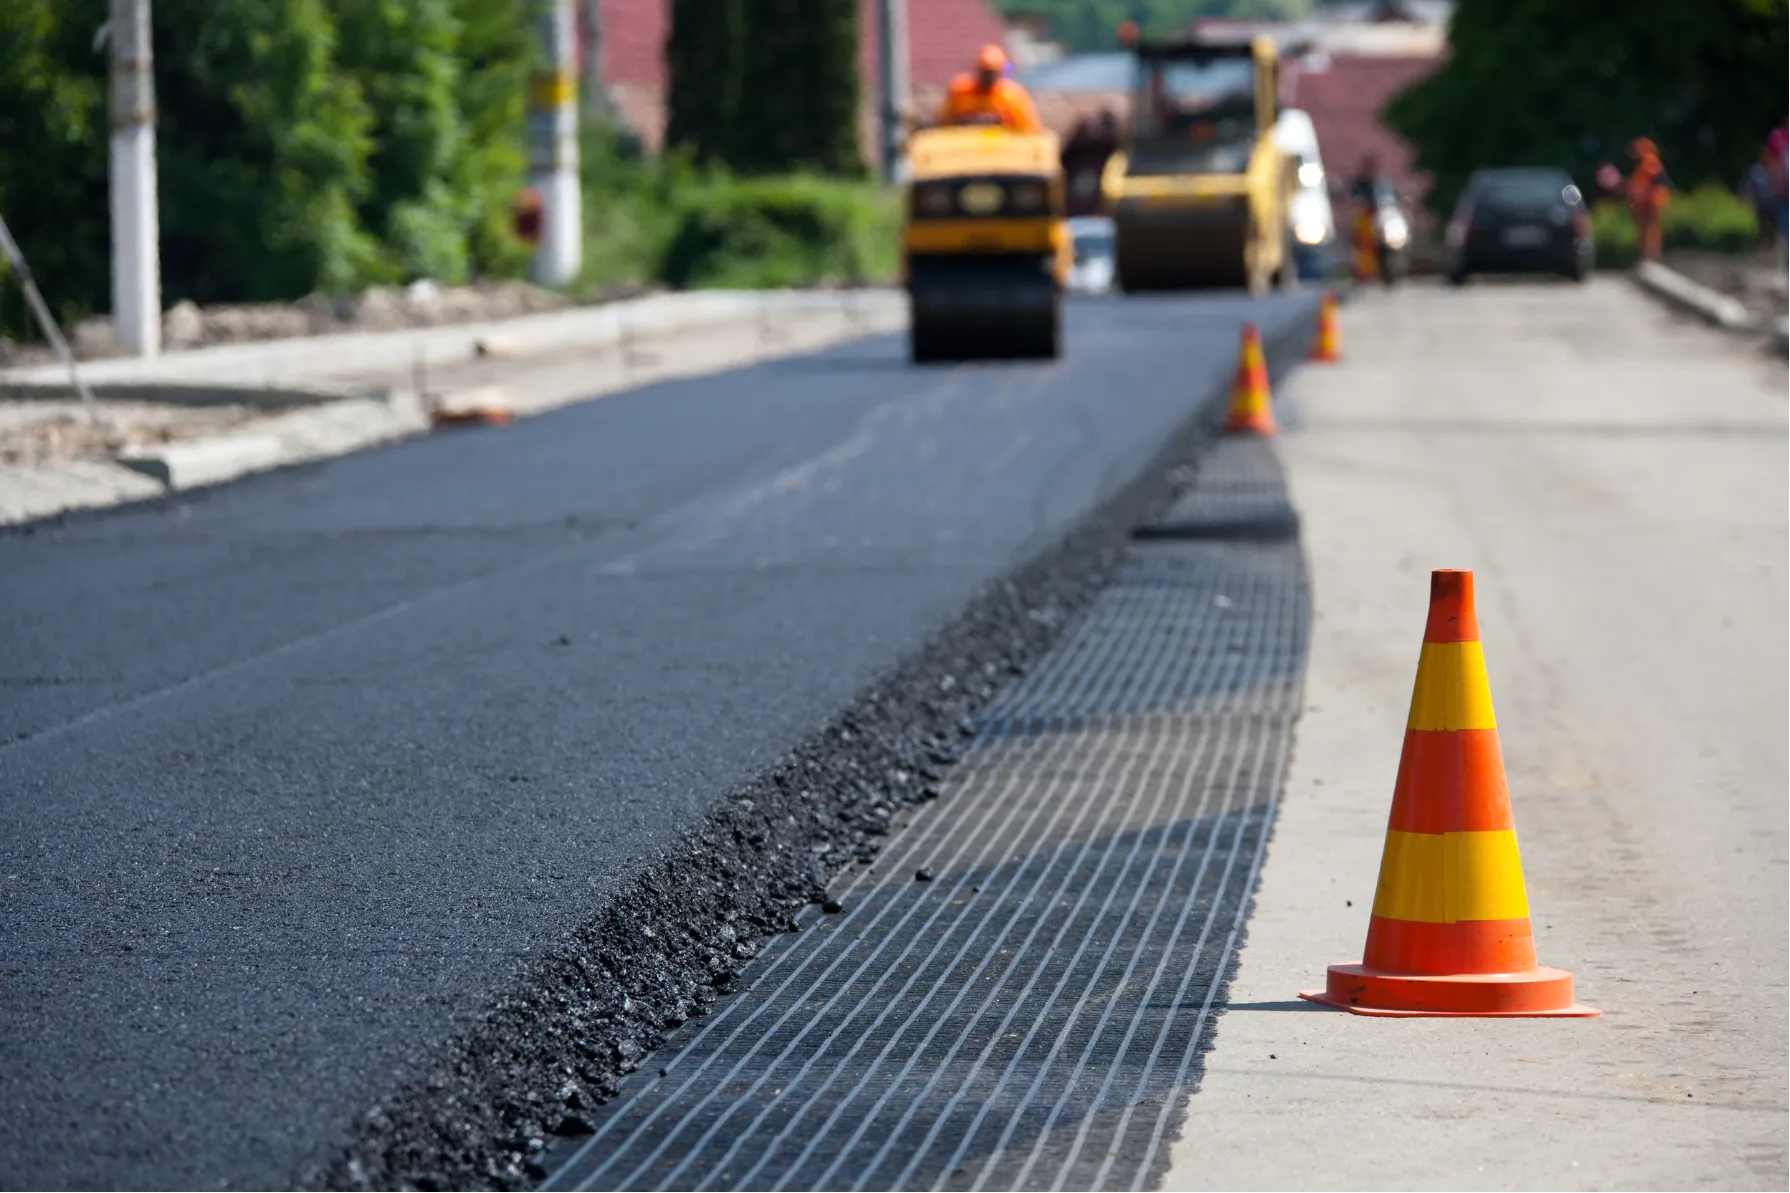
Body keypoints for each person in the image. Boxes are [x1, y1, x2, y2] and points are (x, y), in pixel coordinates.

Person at [938, 44, 1043, 133]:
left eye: (992, 73)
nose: (988, 77)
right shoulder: (960, 91)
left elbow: (1029, 128)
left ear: (1000, 72)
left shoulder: (1012, 96)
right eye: (985, 72)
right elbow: (944, 123)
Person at [1624, 137, 1669, 262]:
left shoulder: (1648, 161)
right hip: (1645, 202)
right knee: (1645, 229)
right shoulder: (1642, 165)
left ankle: (1652, 255)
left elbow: (1657, 181)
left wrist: (1644, 196)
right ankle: (1646, 256)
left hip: (1651, 202)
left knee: (1651, 229)